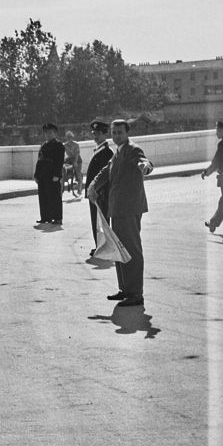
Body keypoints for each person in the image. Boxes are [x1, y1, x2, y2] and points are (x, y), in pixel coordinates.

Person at [87, 118, 154, 308]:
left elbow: (143, 162)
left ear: (127, 133)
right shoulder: (118, 151)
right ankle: (125, 289)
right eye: (114, 132)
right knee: (119, 248)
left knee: (131, 249)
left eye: (120, 132)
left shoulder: (132, 149)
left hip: (129, 208)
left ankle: (136, 293)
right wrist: (93, 186)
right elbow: (107, 170)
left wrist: (145, 167)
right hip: (117, 208)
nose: (116, 136)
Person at [84, 121, 114, 256]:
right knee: (96, 221)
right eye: (94, 134)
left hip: (99, 194)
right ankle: (99, 246)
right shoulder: (99, 150)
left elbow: (105, 176)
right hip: (94, 193)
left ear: (104, 134)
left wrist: (96, 192)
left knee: (101, 222)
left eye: (98, 134)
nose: (95, 136)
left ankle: (103, 247)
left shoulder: (107, 152)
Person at [34, 122, 65, 225]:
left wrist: (57, 175)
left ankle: (57, 218)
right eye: (46, 133)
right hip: (43, 175)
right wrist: (36, 175)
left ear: (55, 133)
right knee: (43, 196)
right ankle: (45, 217)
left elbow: (59, 161)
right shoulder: (43, 145)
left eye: (51, 133)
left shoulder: (58, 145)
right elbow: (39, 160)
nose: (48, 135)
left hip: (52, 175)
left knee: (54, 197)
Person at [63, 130, 83, 197]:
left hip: (77, 159)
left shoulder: (76, 144)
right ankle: (66, 179)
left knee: (78, 173)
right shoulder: (64, 145)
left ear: (72, 138)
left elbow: (77, 153)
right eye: (68, 137)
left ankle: (80, 189)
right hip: (70, 159)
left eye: (70, 137)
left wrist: (75, 162)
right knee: (63, 167)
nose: (69, 139)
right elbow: (62, 154)